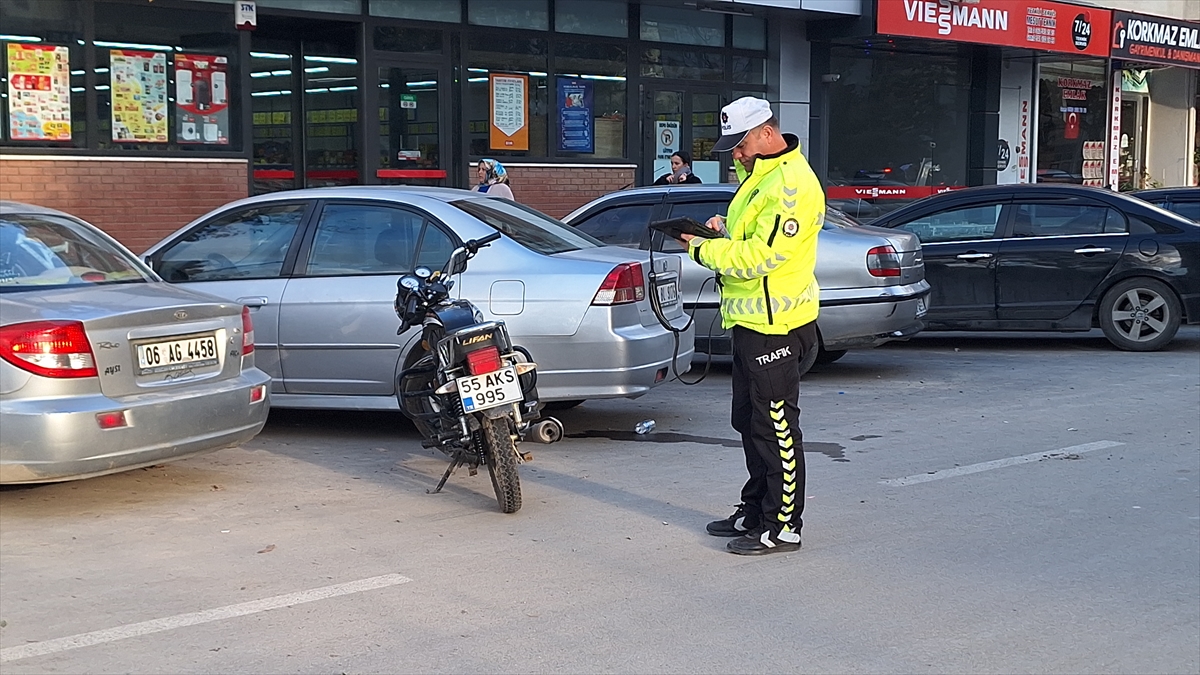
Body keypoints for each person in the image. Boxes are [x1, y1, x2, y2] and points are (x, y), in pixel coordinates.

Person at [678, 97, 824, 556]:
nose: (734, 155)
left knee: (776, 427)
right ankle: (757, 508)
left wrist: (704, 251)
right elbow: (752, 239)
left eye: (739, 145)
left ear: (765, 132)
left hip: (776, 326)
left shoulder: (791, 185)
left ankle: (783, 526)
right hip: (750, 320)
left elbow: (766, 257)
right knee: (749, 420)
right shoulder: (759, 177)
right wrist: (724, 232)